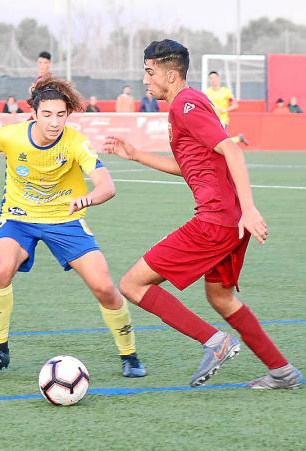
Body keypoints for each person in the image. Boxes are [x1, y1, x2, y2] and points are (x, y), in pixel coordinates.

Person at [104, 39, 302, 390]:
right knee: (220, 297)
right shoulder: (187, 103)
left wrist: (250, 208)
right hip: (230, 220)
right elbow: (189, 167)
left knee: (132, 284)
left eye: (150, 72)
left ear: (170, 74)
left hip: (216, 220)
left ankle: (216, 342)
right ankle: (282, 371)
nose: (145, 80)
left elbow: (232, 151)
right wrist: (136, 155)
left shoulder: (186, 105)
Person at [0, 76, 146, 379]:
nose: (54, 122)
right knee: (0, 269)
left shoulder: (76, 142)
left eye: (61, 114)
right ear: (33, 113)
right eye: (47, 114)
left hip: (65, 220)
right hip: (19, 218)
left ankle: (129, 354)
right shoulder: (11, 136)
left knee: (104, 287)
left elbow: (107, 186)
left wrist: (88, 198)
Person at [205, 71, 247, 145]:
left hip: (222, 120)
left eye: (214, 77)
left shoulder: (226, 91)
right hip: (211, 119)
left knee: (218, 141)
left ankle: (237, 139)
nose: (213, 80)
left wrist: (224, 110)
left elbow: (235, 105)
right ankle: (238, 138)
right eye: (211, 78)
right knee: (216, 141)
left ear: (219, 78)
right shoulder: (206, 92)